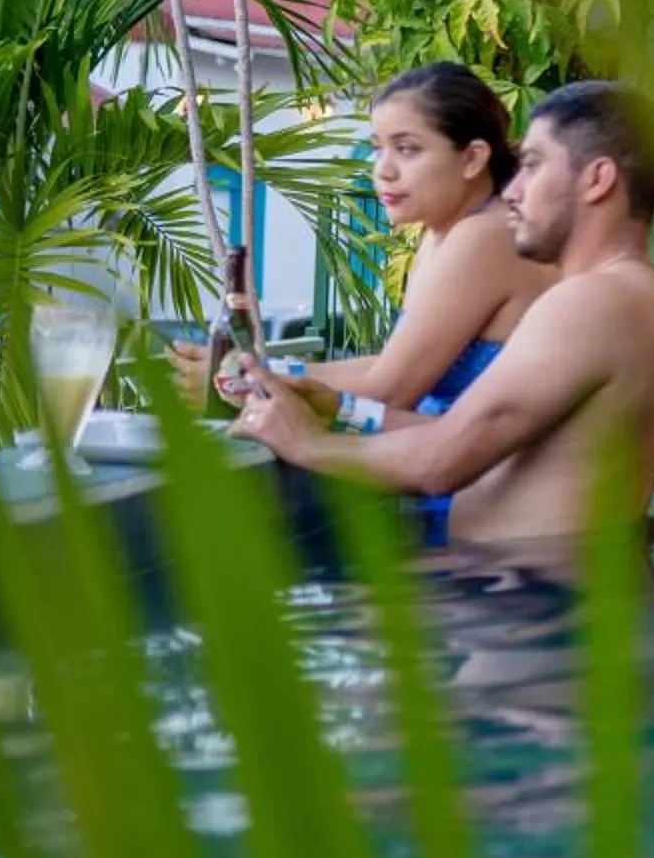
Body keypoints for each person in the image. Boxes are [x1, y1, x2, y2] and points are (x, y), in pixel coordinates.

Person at [233, 80, 654, 552]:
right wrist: (340, 407)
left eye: (532, 166)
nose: (512, 190)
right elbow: (473, 439)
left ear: (597, 179)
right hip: (556, 584)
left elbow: (441, 462)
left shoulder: (592, 301)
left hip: (514, 599)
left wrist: (306, 443)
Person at [178, 62, 556, 541]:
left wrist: (257, 377)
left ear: (472, 158)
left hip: (492, 524)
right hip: (461, 501)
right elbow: (394, 366)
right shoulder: (448, 232)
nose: (384, 170)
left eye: (408, 149)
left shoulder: (485, 237)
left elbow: (389, 391)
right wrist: (256, 371)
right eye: (379, 148)